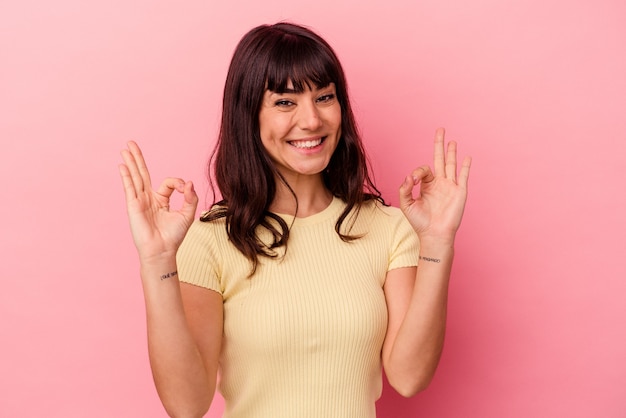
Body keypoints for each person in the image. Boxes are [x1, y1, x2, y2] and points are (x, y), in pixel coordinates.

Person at [119, 22, 471, 418]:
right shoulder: (212, 239)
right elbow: (187, 405)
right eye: (285, 102)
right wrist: (156, 263)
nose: (312, 121)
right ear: (248, 115)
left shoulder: (387, 228)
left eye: (325, 97)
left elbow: (409, 377)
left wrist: (439, 242)